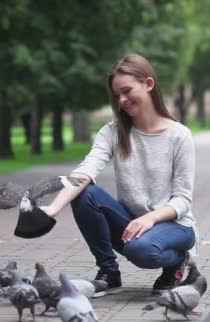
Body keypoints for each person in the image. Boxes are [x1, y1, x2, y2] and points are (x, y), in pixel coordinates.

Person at [40, 53, 198, 296]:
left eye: (127, 91)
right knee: (85, 194)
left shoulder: (179, 135)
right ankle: (109, 273)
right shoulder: (113, 132)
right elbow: (85, 170)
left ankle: (177, 261)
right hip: (132, 224)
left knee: (139, 250)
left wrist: (151, 218)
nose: (122, 100)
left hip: (174, 225)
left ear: (148, 84)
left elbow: (183, 200)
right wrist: (53, 208)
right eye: (117, 95)